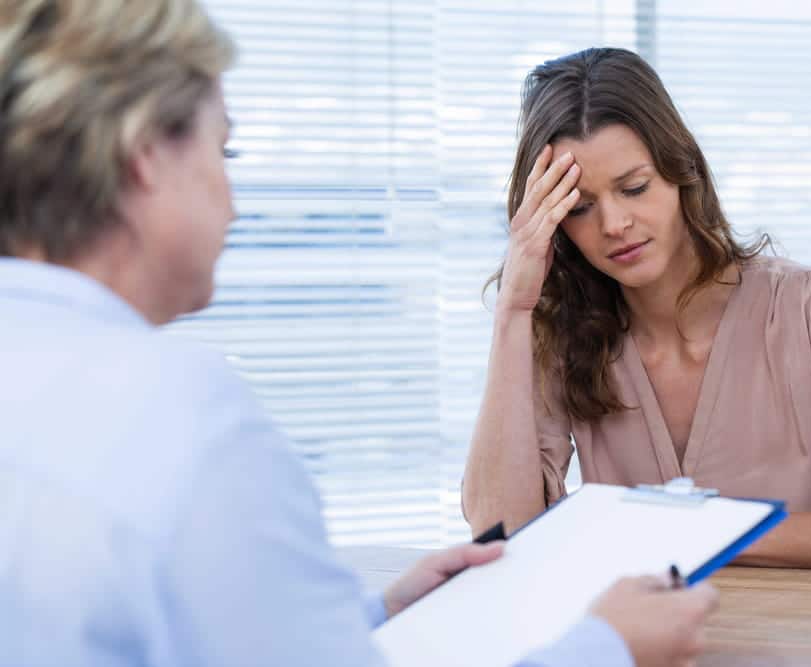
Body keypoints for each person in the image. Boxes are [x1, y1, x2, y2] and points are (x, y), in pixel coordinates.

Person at [0, 3, 718, 666]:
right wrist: (609, 646)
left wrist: (372, 616)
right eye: (224, 153)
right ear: (146, 158)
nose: (233, 201)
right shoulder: (184, 418)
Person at [463, 47, 811, 573]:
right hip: (639, 646)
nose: (614, 223)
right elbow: (498, 535)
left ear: (682, 172)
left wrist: (708, 533)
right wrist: (515, 308)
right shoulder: (563, 333)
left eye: (634, 188)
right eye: (579, 208)